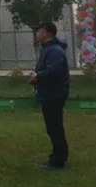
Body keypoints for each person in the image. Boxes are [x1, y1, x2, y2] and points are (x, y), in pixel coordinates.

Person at [29, 21, 70, 171]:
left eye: (38, 30)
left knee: (54, 127)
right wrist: (37, 75)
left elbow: (53, 71)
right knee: (52, 127)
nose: (36, 33)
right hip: (49, 92)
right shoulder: (48, 48)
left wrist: (38, 76)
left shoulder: (54, 51)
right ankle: (57, 156)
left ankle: (58, 161)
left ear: (47, 33)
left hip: (54, 94)